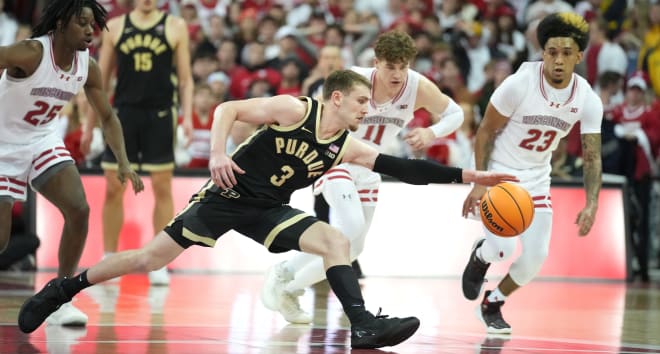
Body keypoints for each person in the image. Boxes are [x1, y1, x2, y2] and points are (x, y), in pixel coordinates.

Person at [18, 69, 517, 349]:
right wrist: (217, 153)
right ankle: (64, 288)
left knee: (335, 239)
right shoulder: (297, 111)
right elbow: (227, 109)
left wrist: (470, 177)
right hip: (225, 197)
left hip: (267, 208)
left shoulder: (343, 146)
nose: (369, 109)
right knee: (148, 259)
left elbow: (402, 168)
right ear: (338, 98)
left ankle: (363, 324)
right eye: (362, 100)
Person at [261, 30, 465, 324]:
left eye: (403, 66)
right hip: (336, 159)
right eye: (390, 66)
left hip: (371, 167)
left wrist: (431, 132)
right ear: (376, 62)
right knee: (350, 225)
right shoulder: (354, 79)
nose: (397, 74)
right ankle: (283, 270)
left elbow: (455, 113)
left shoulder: (417, 87)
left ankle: (289, 289)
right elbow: (315, 114)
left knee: (355, 247)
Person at [0, 0, 143, 327]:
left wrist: (123, 162)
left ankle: (58, 297)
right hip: (3, 144)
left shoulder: (87, 66)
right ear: (61, 24)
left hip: (40, 139)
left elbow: (107, 116)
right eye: (82, 24)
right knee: (1, 241)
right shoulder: (31, 53)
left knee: (79, 210)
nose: (90, 32)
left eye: (93, 25)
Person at [460, 13, 604, 334]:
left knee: (536, 258)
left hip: (537, 179)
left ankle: (493, 302)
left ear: (578, 57)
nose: (558, 59)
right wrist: (480, 182)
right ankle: (482, 256)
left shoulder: (587, 99)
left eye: (566, 53)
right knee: (504, 249)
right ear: (543, 53)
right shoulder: (519, 84)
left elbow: (592, 157)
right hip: (499, 174)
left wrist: (592, 203)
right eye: (551, 52)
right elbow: (484, 133)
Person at [92, 0, 193, 285]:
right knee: (114, 186)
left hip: (161, 113)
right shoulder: (116, 26)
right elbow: (98, 79)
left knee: (162, 185)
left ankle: (159, 260)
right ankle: (109, 257)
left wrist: (187, 116)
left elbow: (185, 80)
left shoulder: (175, 26)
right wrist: (89, 124)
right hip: (123, 113)